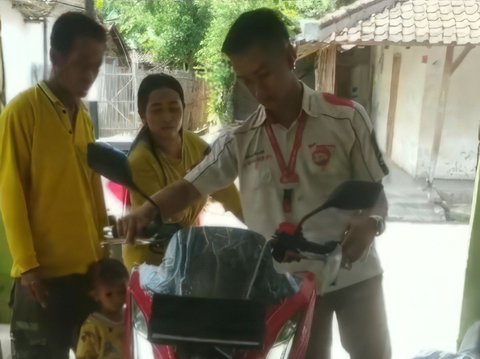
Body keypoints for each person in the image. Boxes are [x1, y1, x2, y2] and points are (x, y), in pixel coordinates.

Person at [119, 8, 391, 359]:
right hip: (286, 287)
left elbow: (376, 192)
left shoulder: (346, 118)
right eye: (246, 80)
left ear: (291, 57)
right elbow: (190, 187)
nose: (258, 90)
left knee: (374, 354)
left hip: (356, 275)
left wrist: (371, 223)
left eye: (264, 74)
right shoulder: (241, 138)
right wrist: (147, 211)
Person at [0, 12, 108, 359]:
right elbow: (10, 192)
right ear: (56, 57)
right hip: (41, 280)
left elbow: (93, 189)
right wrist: (28, 267)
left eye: (97, 66)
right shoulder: (22, 113)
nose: (90, 75)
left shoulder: (86, 119)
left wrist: (102, 253)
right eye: (82, 65)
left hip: (86, 273)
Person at [122, 73, 243, 271]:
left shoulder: (197, 146)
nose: (167, 117)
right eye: (157, 110)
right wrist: (197, 181)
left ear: (183, 108)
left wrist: (259, 227)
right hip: (149, 263)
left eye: (173, 107)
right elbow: (171, 217)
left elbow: (225, 189)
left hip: (184, 251)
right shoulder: (139, 161)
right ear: (143, 116)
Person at [76, 258, 128, 359]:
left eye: (122, 292)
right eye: (109, 294)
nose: (117, 298)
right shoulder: (93, 326)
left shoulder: (130, 317)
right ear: (95, 295)